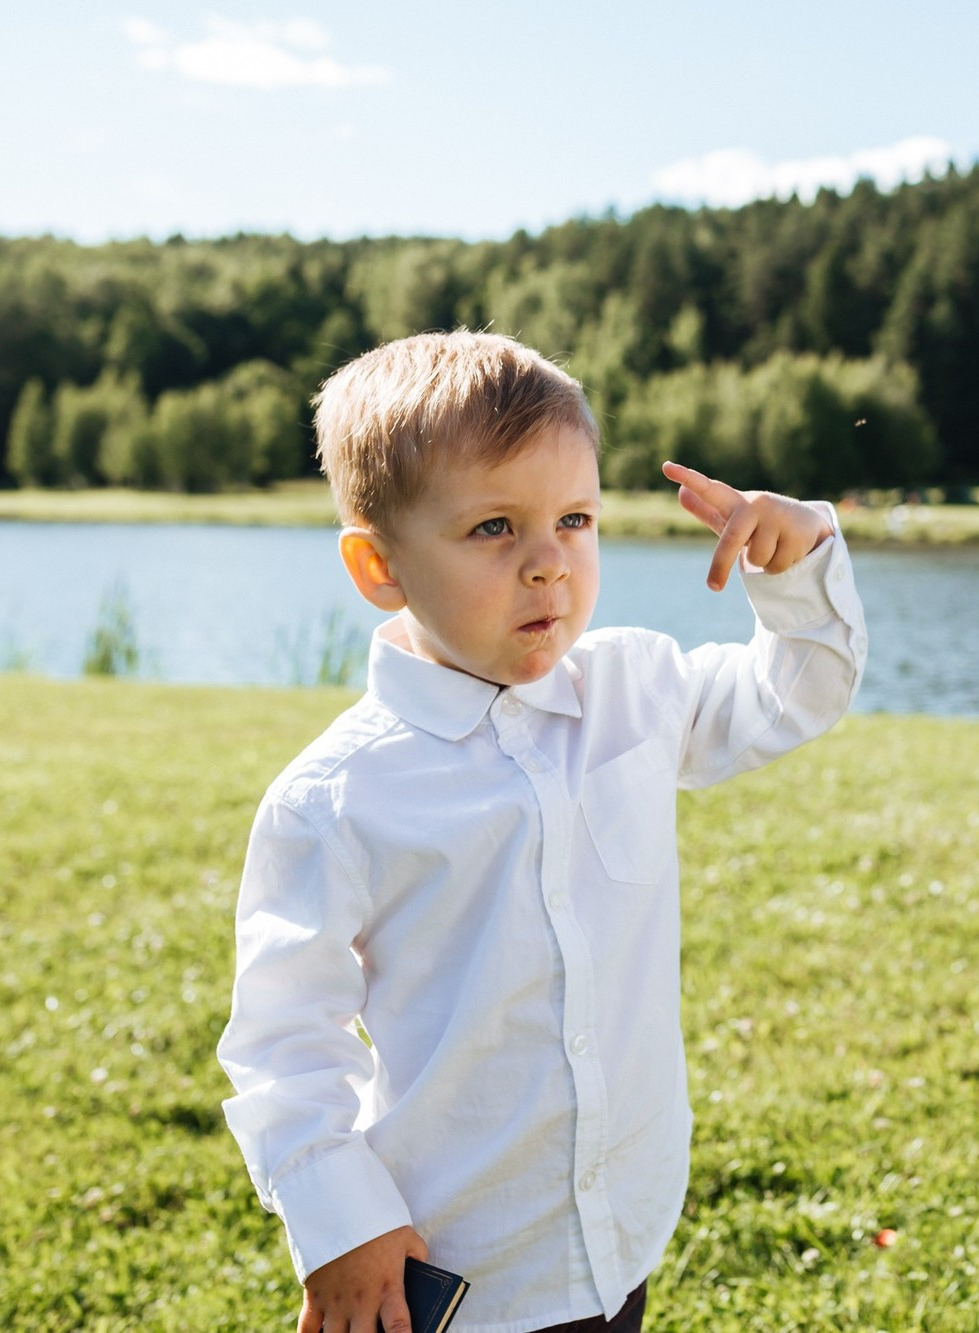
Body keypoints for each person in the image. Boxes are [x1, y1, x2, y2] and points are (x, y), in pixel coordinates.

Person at [215, 331, 867, 1333]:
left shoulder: (636, 690)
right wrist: (341, 1224)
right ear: (378, 564)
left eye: (573, 518)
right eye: (492, 528)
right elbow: (282, 1042)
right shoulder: (336, 798)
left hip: (620, 1229)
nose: (547, 564)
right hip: (463, 1267)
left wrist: (800, 560)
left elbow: (794, 696)